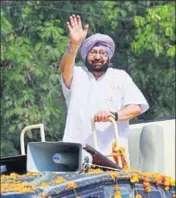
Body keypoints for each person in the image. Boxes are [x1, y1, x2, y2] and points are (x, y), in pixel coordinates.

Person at [59, 14, 149, 161]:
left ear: (109, 58)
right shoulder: (77, 74)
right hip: (76, 155)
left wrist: (114, 115)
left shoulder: (120, 76)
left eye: (103, 53)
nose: (98, 57)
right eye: (93, 52)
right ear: (86, 55)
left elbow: (136, 107)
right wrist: (74, 44)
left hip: (112, 156)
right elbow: (64, 69)